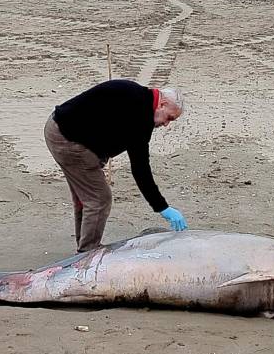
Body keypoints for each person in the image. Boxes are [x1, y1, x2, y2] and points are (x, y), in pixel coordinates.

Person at [44, 79, 188, 253]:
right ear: (162, 104)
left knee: (86, 197)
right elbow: (140, 168)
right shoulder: (140, 114)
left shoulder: (141, 97)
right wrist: (163, 207)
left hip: (59, 128)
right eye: (169, 118)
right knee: (99, 199)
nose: (166, 124)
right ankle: (87, 255)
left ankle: (83, 248)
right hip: (66, 138)